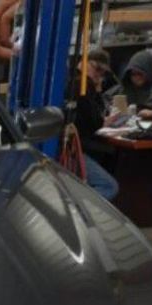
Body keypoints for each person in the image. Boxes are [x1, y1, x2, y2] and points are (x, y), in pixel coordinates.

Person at [75, 48, 121, 200]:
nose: (99, 74)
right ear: (85, 63)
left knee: (108, 153)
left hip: (81, 143)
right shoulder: (80, 85)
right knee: (108, 186)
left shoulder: (86, 85)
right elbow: (93, 121)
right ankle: (80, 209)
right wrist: (105, 121)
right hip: (74, 146)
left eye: (102, 72)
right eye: (97, 69)